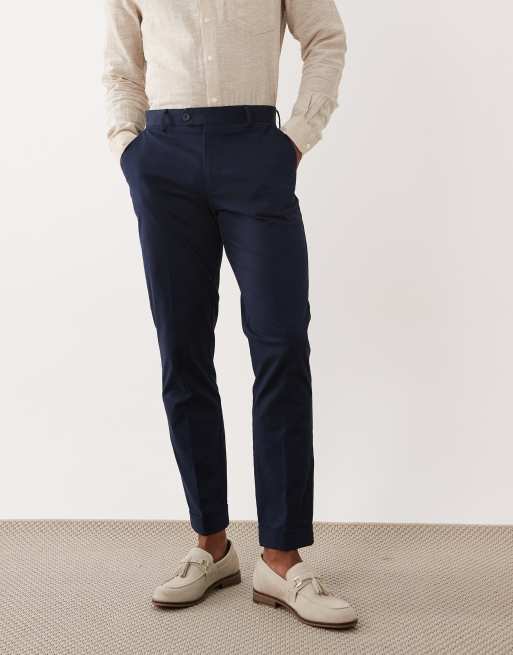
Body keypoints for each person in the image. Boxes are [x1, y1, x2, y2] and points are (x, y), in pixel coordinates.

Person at [102, 0, 357, 629]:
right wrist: (129, 147)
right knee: (183, 349)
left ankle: (281, 557)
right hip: (163, 156)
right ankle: (211, 545)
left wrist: (297, 136)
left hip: (256, 151)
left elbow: (324, 37)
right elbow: (122, 67)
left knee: (281, 345)